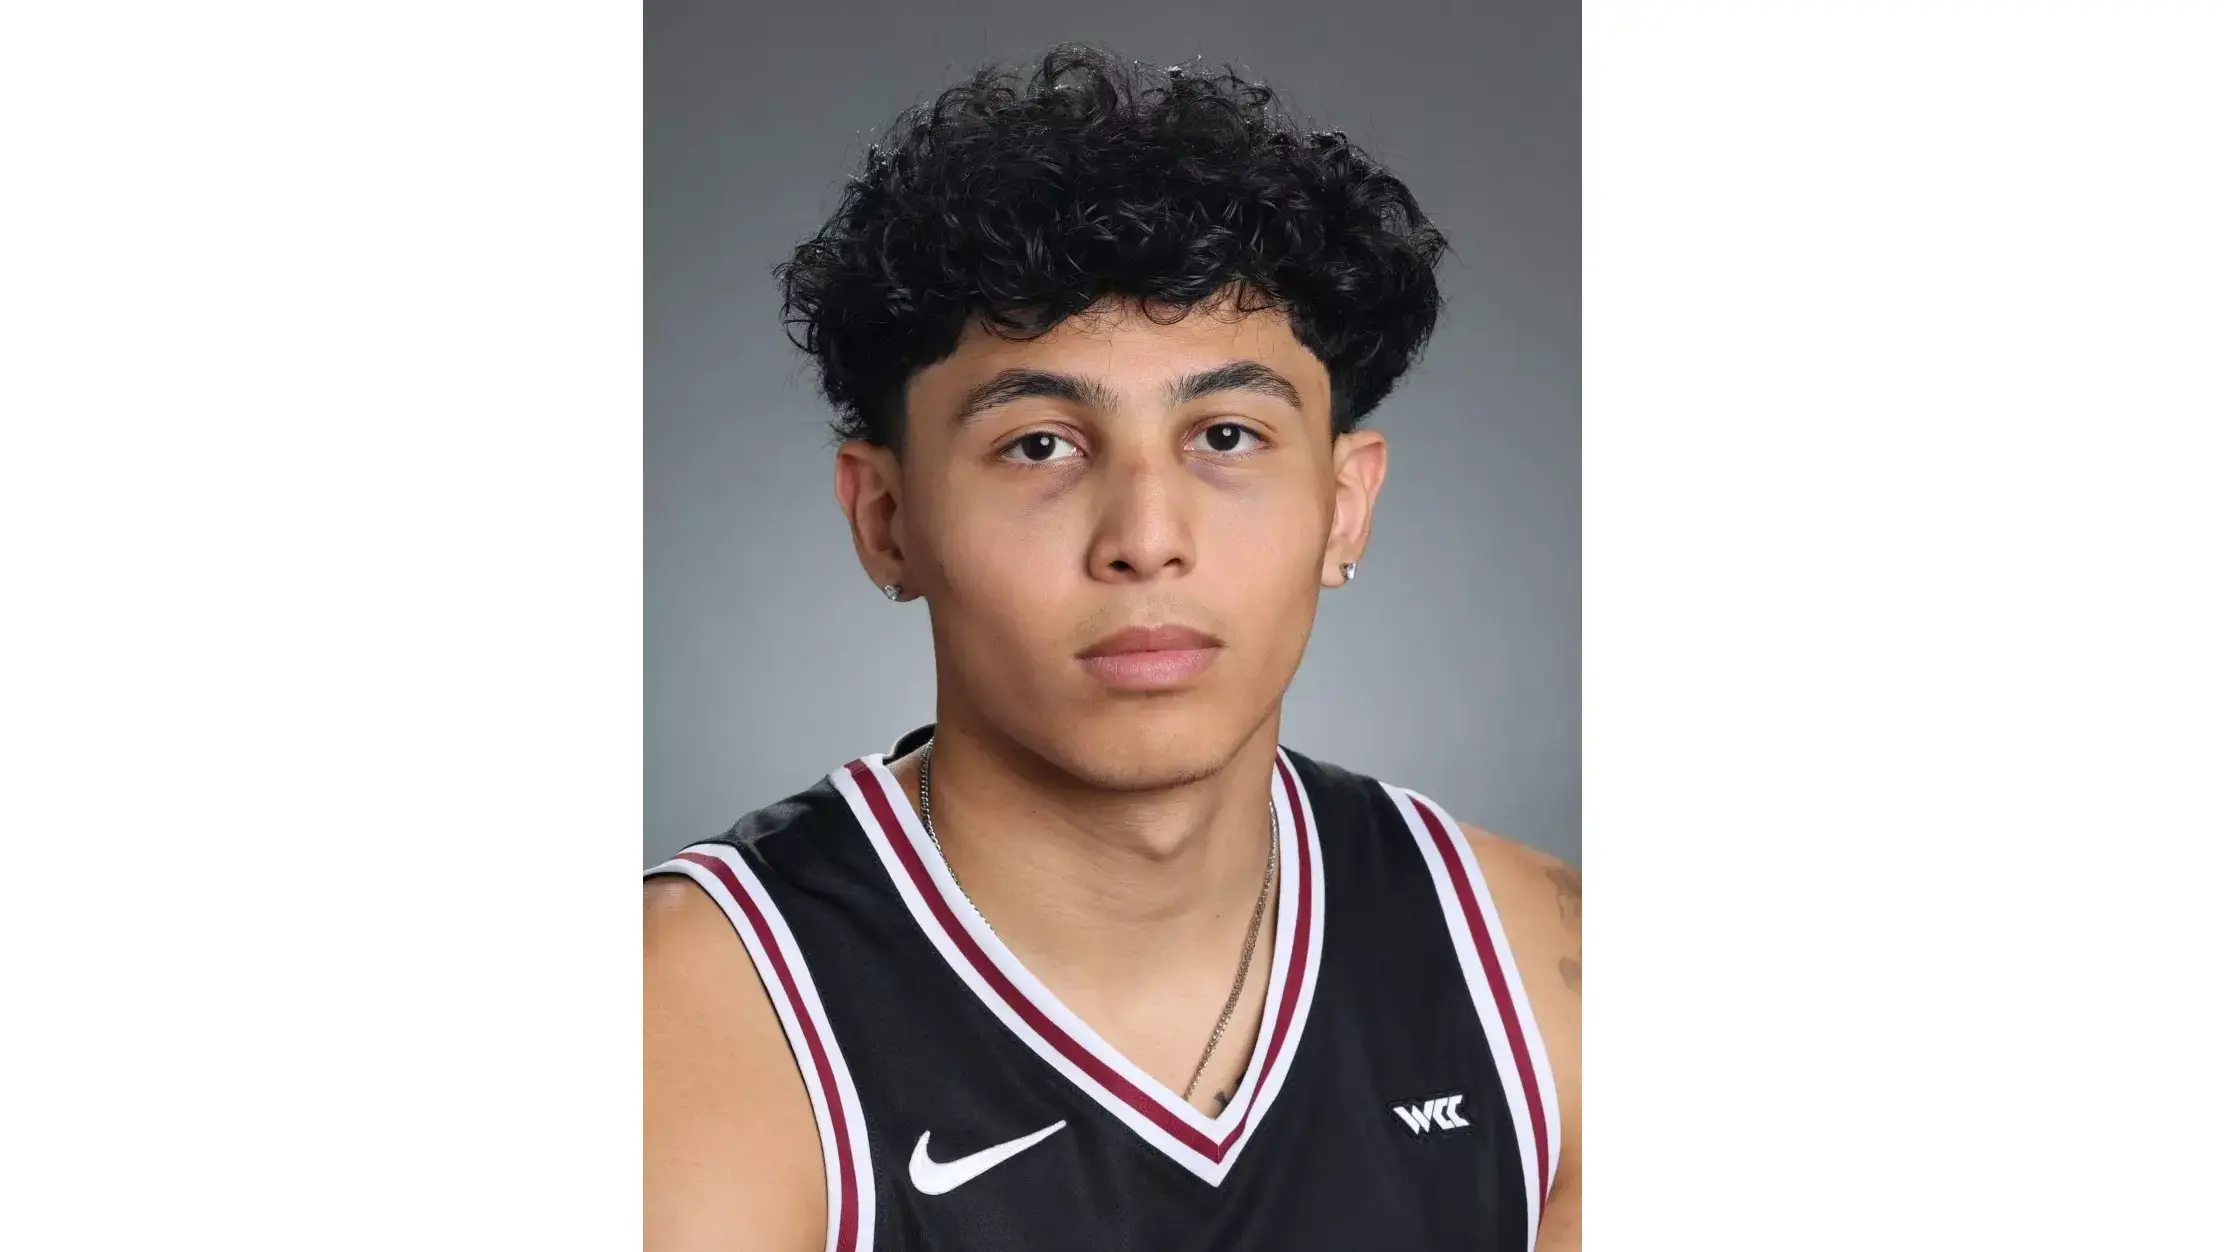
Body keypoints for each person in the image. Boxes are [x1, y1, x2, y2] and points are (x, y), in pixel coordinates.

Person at [645, 44, 1581, 1251]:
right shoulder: (690, 1018)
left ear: (1343, 506)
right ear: (886, 519)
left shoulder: (1540, 981)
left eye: (1227, 435)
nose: (1145, 538)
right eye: (1039, 445)